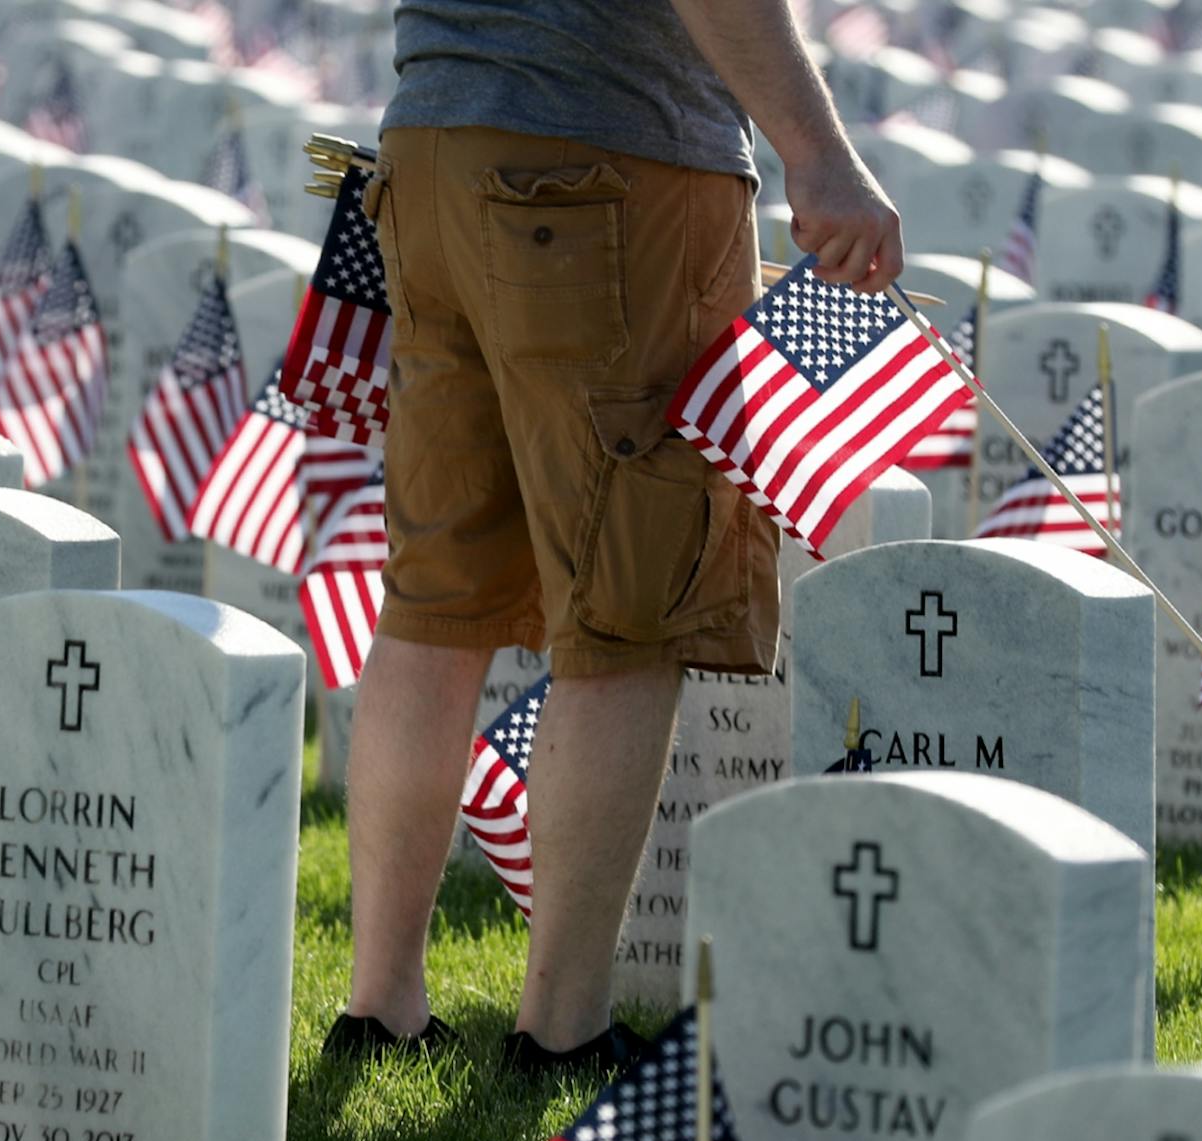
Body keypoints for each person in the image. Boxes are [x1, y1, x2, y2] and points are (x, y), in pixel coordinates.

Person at [324, 0, 905, 1074]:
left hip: (427, 147)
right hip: (606, 156)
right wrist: (818, 155)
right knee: (632, 607)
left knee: (433, 601)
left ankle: (381, 1000)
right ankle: (563, 1027)